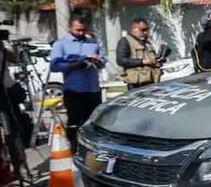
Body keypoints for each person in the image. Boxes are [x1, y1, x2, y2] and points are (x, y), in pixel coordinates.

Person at [50, 18, 105, 152]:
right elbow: (54, 65)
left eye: (83, 30)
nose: (81, 33)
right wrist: (75, 65)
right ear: (70, 27)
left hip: (93, 89)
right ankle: (75, 148)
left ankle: (92, 148)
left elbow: (103, 61)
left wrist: (97, 61)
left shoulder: (92, 43)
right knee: (75, 121)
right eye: (77, 30)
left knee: (93, 121)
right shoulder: (61, 44)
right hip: (75, 90)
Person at [116, 18, 160, 90]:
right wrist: (142, 61)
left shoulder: (147, 43)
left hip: (151, 80)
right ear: (134, 29)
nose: (145, 32)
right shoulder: (125, 41)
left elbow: (151, 57)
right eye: (143, 30)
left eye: (147, 30)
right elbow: (121, 60)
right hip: (136, 83)